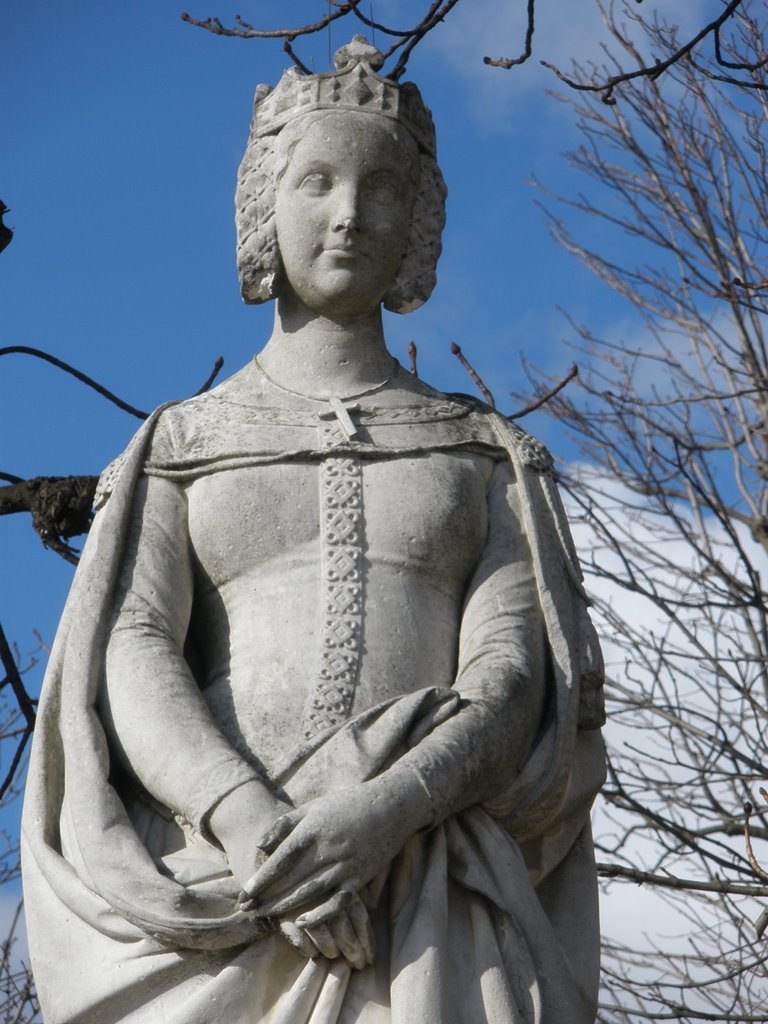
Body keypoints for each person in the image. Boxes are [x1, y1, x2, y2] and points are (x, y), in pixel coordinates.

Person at [22, 36, 606, 1024]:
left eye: (380, 186)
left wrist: (379, 816)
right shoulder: (180, 443)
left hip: (430, 900)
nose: (348, 214)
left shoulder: (482, 454)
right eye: (318, 181)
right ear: (264, 201)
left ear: (417, 215)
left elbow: (511, 683)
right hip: (215, 887)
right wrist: (253, 826)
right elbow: (132, 650)